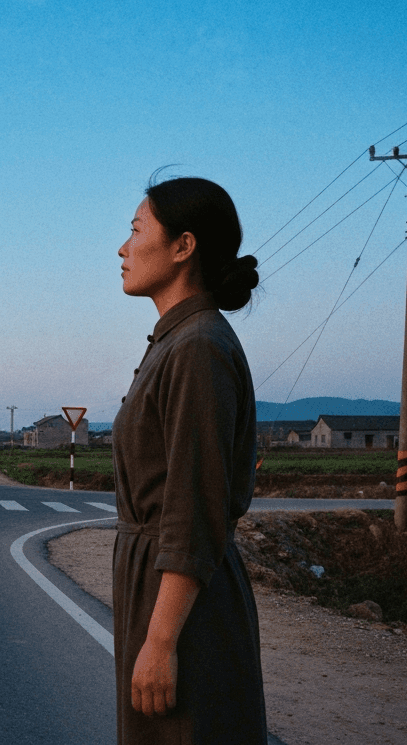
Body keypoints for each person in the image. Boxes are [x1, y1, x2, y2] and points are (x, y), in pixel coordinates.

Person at [112, 176, 266, 743]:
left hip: (182, 601)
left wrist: (160, 641)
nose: (123, 248)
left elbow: (194, 507)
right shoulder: (175, 341)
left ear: (183, 246)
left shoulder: (198, 346)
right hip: (157, 586)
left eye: (136, 230)